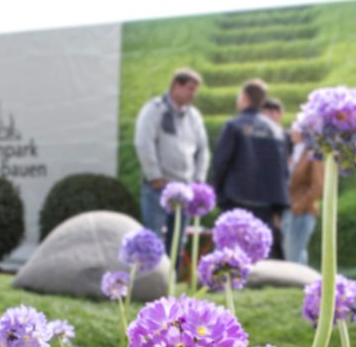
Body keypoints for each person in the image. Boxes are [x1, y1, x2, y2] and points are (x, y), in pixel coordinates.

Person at [208, 78, 290, 255]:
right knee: (258, 250)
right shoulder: (276, 130)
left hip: (236, 197)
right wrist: (279, 206)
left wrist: (218, 192)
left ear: (244, 97)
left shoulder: (234, 125)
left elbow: (221, 162)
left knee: (227, 249)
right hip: (267, 202)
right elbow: (283, 170)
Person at [131, 68, 208, 233]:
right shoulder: (154, 110)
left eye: (195, 90)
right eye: (189, 89)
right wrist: (155, 176)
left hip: (185, 190)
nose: (193, 94)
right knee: (153, 238)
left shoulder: (194, 116)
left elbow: (203, 150)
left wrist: (199, 179)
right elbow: (143, 142)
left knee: (177, 243)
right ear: (175, 86)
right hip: (158, 189)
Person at [283, 111, 322, 267]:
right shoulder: (295, 151)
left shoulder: (313, 153)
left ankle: (298, 288)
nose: (291, 130)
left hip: (302, 212)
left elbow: (318, 185)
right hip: (290, 210)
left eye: (295, 126)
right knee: (293, 255)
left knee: (294, 257)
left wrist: (299, 205)